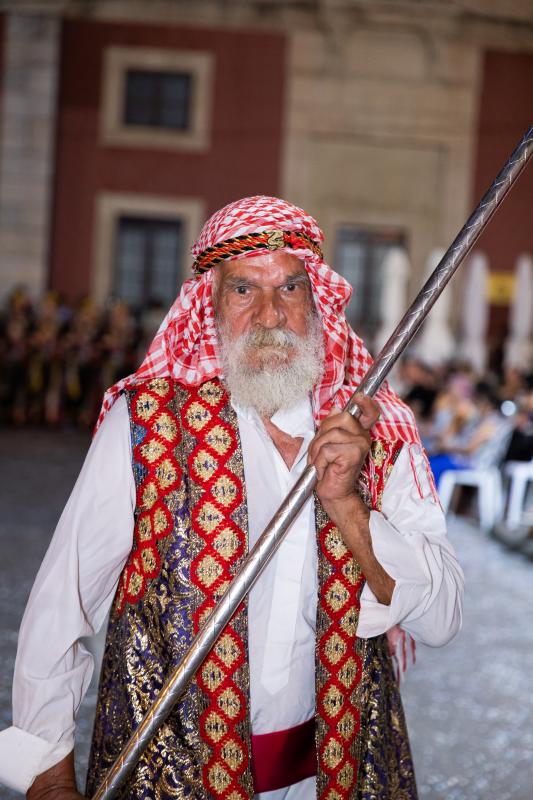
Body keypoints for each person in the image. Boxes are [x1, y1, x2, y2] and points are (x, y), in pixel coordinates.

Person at [0, 197, 463, 799]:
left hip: (335, 781)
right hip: (172, 781)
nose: (269, 315)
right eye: (244, 290)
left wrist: (349, 506)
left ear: (316, 300)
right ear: (212, 305)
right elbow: (62, 603)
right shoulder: (148, 427)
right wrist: (46, 773)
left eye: (289, 288)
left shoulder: (377, 430)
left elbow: (442, 620)